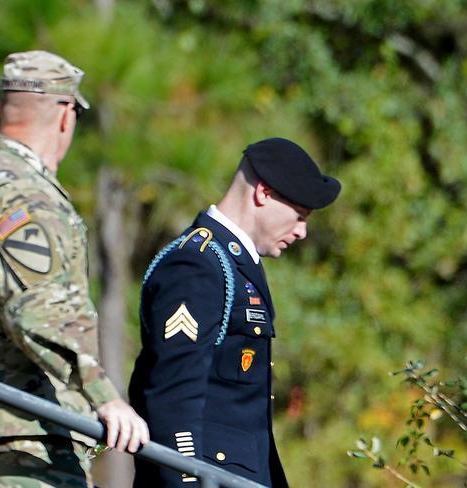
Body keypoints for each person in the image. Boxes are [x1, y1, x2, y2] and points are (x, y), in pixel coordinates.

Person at [0, 50, 149, 487]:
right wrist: (105, 397)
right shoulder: (24, 195)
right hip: (28, 429)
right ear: (65, 115)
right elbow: (39, 311)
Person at [128, 137, 341, 487]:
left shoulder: (233, 263)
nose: (303, 231)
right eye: (299, 216)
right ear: (264, 193)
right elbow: (173, 398)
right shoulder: (197, 263)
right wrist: (188, 480)